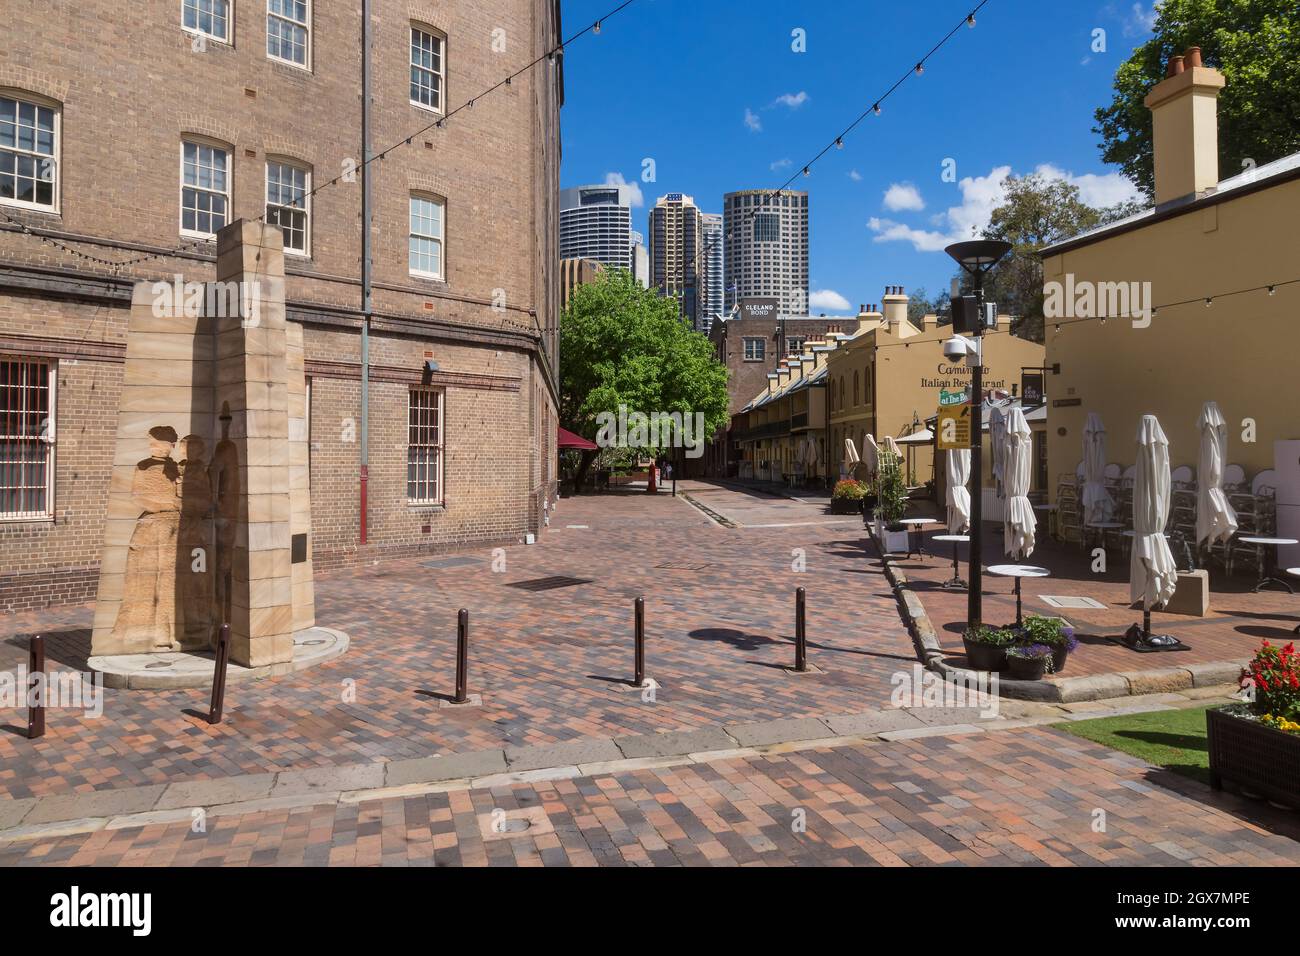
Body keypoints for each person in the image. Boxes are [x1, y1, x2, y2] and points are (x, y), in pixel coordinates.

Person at [112, 425, 182, 652]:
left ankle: (166, 633)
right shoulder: (143, 466)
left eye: (167, 444)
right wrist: (165, 505)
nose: (162, 448)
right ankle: (137, 631)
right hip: (151, 527)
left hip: (174, 527)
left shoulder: (177, 468)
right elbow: (138, 497)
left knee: (169, 581)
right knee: (142, 579)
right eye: (158, 443)